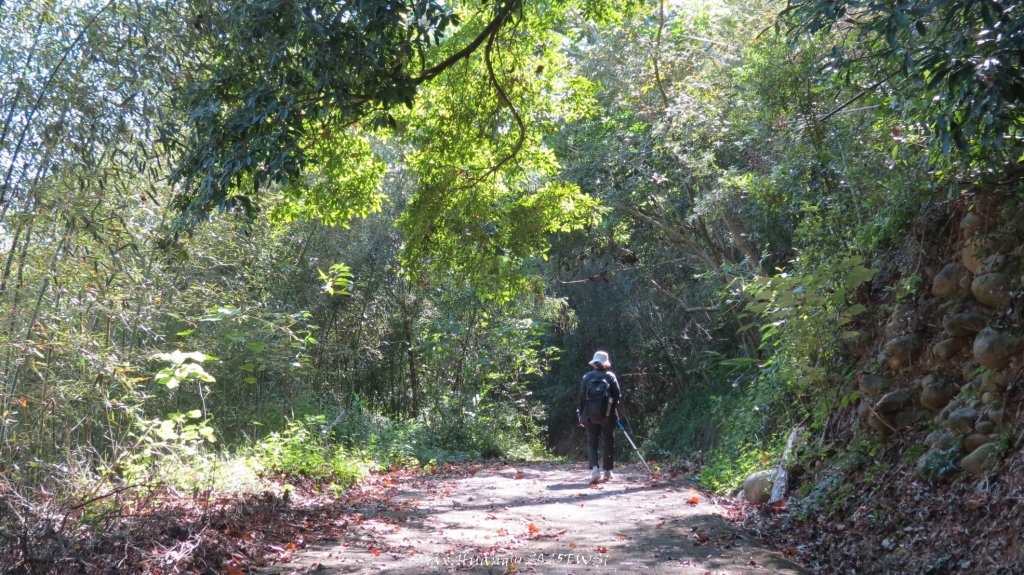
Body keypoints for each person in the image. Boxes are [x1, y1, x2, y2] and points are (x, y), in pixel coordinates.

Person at [577, 350, 621, 484]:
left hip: (590, 415)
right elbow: (617, 396)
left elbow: (581, 398)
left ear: (594, 363)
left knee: (592, 443)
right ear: (605, 363)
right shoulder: (610, 376)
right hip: (607, 415)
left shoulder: (587, 377)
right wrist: (614, 411)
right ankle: (607, 472)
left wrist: (580, 414)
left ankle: (595, 470)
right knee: (608, 442)